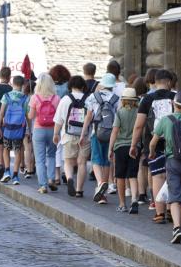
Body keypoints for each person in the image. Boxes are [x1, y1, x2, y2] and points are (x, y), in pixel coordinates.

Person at [150, 91, 181, 244]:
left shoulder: (165, 121)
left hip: (173, 162)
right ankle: (180, 223)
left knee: (174, 195)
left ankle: (177, 227)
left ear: (173, 104)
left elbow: (153, 142)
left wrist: (152, 153)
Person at [130, 69, 176, 223]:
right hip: (174, 142)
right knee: (172, 175)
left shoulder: (147, 99)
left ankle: (159, 212)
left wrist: (134, 144)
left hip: (153, 142)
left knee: (158, 176)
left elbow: (139, 125)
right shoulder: (176, 97)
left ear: (155, 82)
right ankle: (171, 209)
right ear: (169, 82)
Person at [80, 73, 120, 204]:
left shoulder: (93, 97)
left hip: (96, 132)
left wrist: (83, 133)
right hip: (111, 133)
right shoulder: (116, 98)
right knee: (107, 160)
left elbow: (88, 116)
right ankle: (103, 190)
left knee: (96, 159)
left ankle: (100, 182)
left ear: (102, 84)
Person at [53, 75, 90, 197]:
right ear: (83, 86)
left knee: (68, 162)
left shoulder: (65, 99)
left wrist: (55, 134)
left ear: (70, 86)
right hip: (85, 135)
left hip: (68, 135)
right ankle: (79, 190)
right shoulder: (89, 99)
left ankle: (69, 178)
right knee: (82, 163)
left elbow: (59, 120)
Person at [109, 88, 140, 213]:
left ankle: (122, 204)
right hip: (135, 146)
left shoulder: (120, 112)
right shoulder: (139, 112)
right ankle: (134, 200)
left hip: (120, 147)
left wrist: (110, 148)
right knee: (133, 175)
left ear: (123, 100)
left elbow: (115, 131)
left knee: (120, 176)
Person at [28, 73, 60, 193]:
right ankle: (51, 178)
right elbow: (59, 116)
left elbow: (31, 116)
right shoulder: (56, 98)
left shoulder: (35, 97)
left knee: (40, 159)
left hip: (39, 129)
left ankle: (43, 185)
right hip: (53, 130)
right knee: (51, 155)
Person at [0, 75, 29, 185]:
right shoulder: (25, 98)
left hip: (7, 128)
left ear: (12, 83)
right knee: (18, 150)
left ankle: (7, 171)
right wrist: (29, 130)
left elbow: (1, 113)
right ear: (23, 85)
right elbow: (27, 115)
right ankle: (15, 176)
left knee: (6, 148)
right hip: (19, 129)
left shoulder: (6, 96)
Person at [49, 64, 71, 186]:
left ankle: (56, 175)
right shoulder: (67, 87)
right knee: (65, 146)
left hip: (54, 118)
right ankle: (66, 173)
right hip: (67, 118)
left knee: (56, 147)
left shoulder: (51, 87)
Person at [132, 76, 150, 204]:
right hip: (148, 134)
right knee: (148, 165)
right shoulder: (149, 98)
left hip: (138, 135)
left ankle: (142, 194)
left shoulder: (136, 101)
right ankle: (151, 192)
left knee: (140, 165)